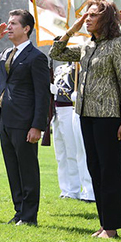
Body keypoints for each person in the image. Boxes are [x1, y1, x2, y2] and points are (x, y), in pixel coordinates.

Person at [49, 0, 121, 239]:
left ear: (105, 18)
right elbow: (57, 52)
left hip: (109, 117)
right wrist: (73, 29)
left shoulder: (117, 45)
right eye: (86, 15)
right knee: (95, 169)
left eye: (93, 15)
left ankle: (112, 227)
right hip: (86, 115)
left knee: (110, 171)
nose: (88, 19)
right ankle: (104, 224)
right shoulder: (88, 45)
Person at [0, 9, 50, 226]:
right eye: (8, 23)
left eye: (13, 24)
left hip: (24, 122)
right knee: (12, 169)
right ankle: (19, 212)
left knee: (27, 170)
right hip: (5, 120)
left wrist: (37, 126)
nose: (8, 27)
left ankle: (29, 217)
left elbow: (42, 94)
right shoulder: (7, 54)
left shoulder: (37, 57)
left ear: (26, 29)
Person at [50, 62, 94, 202]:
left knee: (74, 151)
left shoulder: (79, 66)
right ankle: (66, 189)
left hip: (71, 109)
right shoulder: (60, 68)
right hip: (57, 110)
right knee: (61, 153)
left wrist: (62, 92)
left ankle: (81, 189)